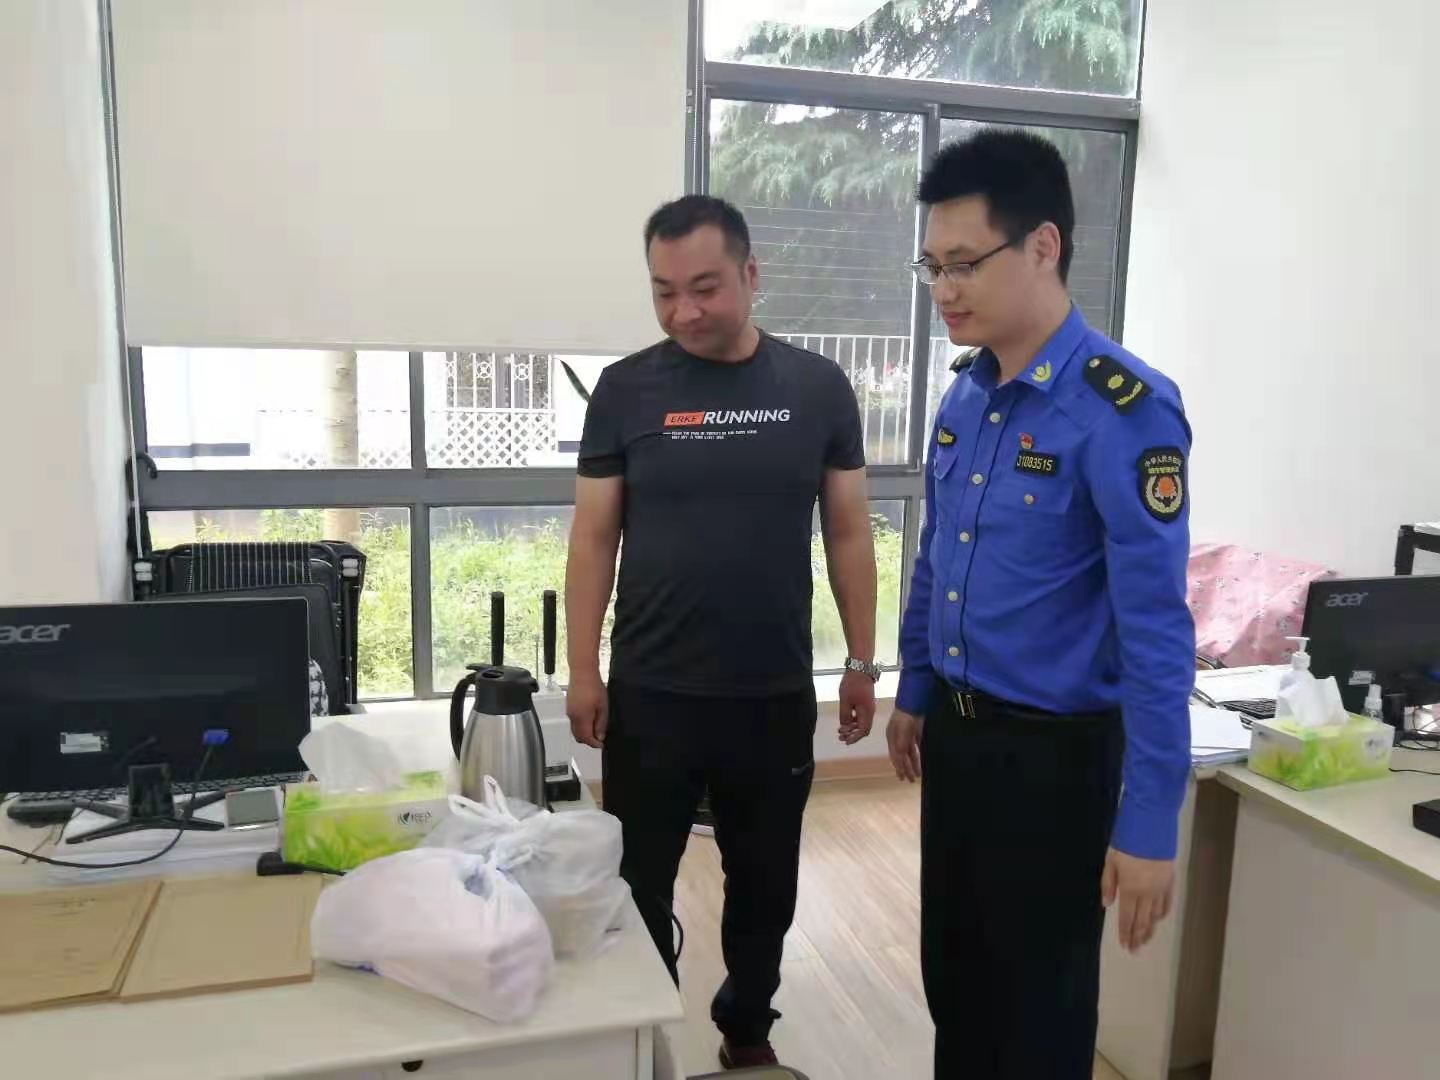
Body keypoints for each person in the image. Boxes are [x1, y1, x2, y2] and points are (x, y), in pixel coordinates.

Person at [886, 129, 1194, 1079]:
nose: (943, 289)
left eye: (964, 263)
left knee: (1040, 1013)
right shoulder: (965, 399)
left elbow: (1156, 632)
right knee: (956, 984)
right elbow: (937, 558)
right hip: (961, 744)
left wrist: (1149, 823)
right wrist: (914, 687)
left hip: (1055, 763)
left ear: (1043, 246)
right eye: (932, 266)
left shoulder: (1123, 411)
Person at [565, 194, 881, 1070]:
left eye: (704, 288)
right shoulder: (626, 389)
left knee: (766, 885)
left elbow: (849, 532)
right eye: (663, 292)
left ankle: (747, 1030)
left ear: (750, 273)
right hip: (652, 693)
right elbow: (592, 538)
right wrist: (583, 670)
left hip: (769, 693)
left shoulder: (816, 388)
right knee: (637, 881)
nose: (684, 312)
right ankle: (643, 1038)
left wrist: (862, 660)